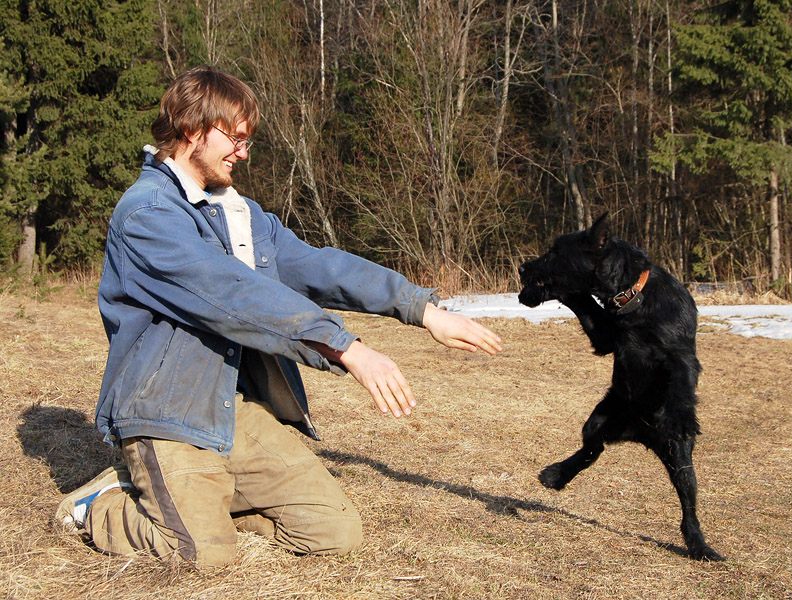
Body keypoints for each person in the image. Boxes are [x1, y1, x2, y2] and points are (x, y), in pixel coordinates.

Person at [55, 65, 502, 568]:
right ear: (190, 128)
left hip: (233, 409)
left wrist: (420, 309)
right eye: (235, 138)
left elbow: (319, 264)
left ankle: (203, 501)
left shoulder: (239, 215)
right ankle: (101, 504)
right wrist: (347, 349)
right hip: (170, 415)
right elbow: (234, 295)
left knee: (334, 531)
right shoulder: (147, 215)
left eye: (248, 140)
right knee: (200, 554)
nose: (243, 152)